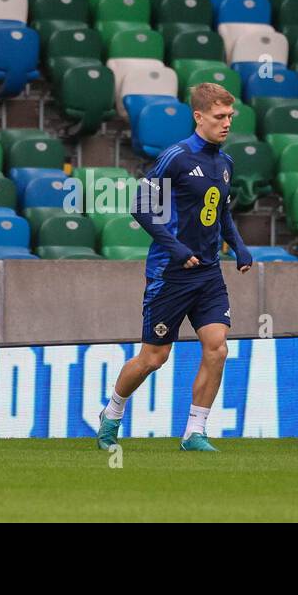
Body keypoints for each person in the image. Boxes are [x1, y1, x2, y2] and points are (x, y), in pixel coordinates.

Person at [97, 82, 253, 452]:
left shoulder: (225, 163)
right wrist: (178, 249)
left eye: (230, 116)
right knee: (154, 357)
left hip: (209, 272)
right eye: (219, 116)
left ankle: (194, 432)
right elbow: (141, 206)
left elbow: (222, 211)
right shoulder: (177, 157)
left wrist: (241, 247)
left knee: (217, 347)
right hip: (171, 271)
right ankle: (112, 412)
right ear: (199, 117)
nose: (227, 123)